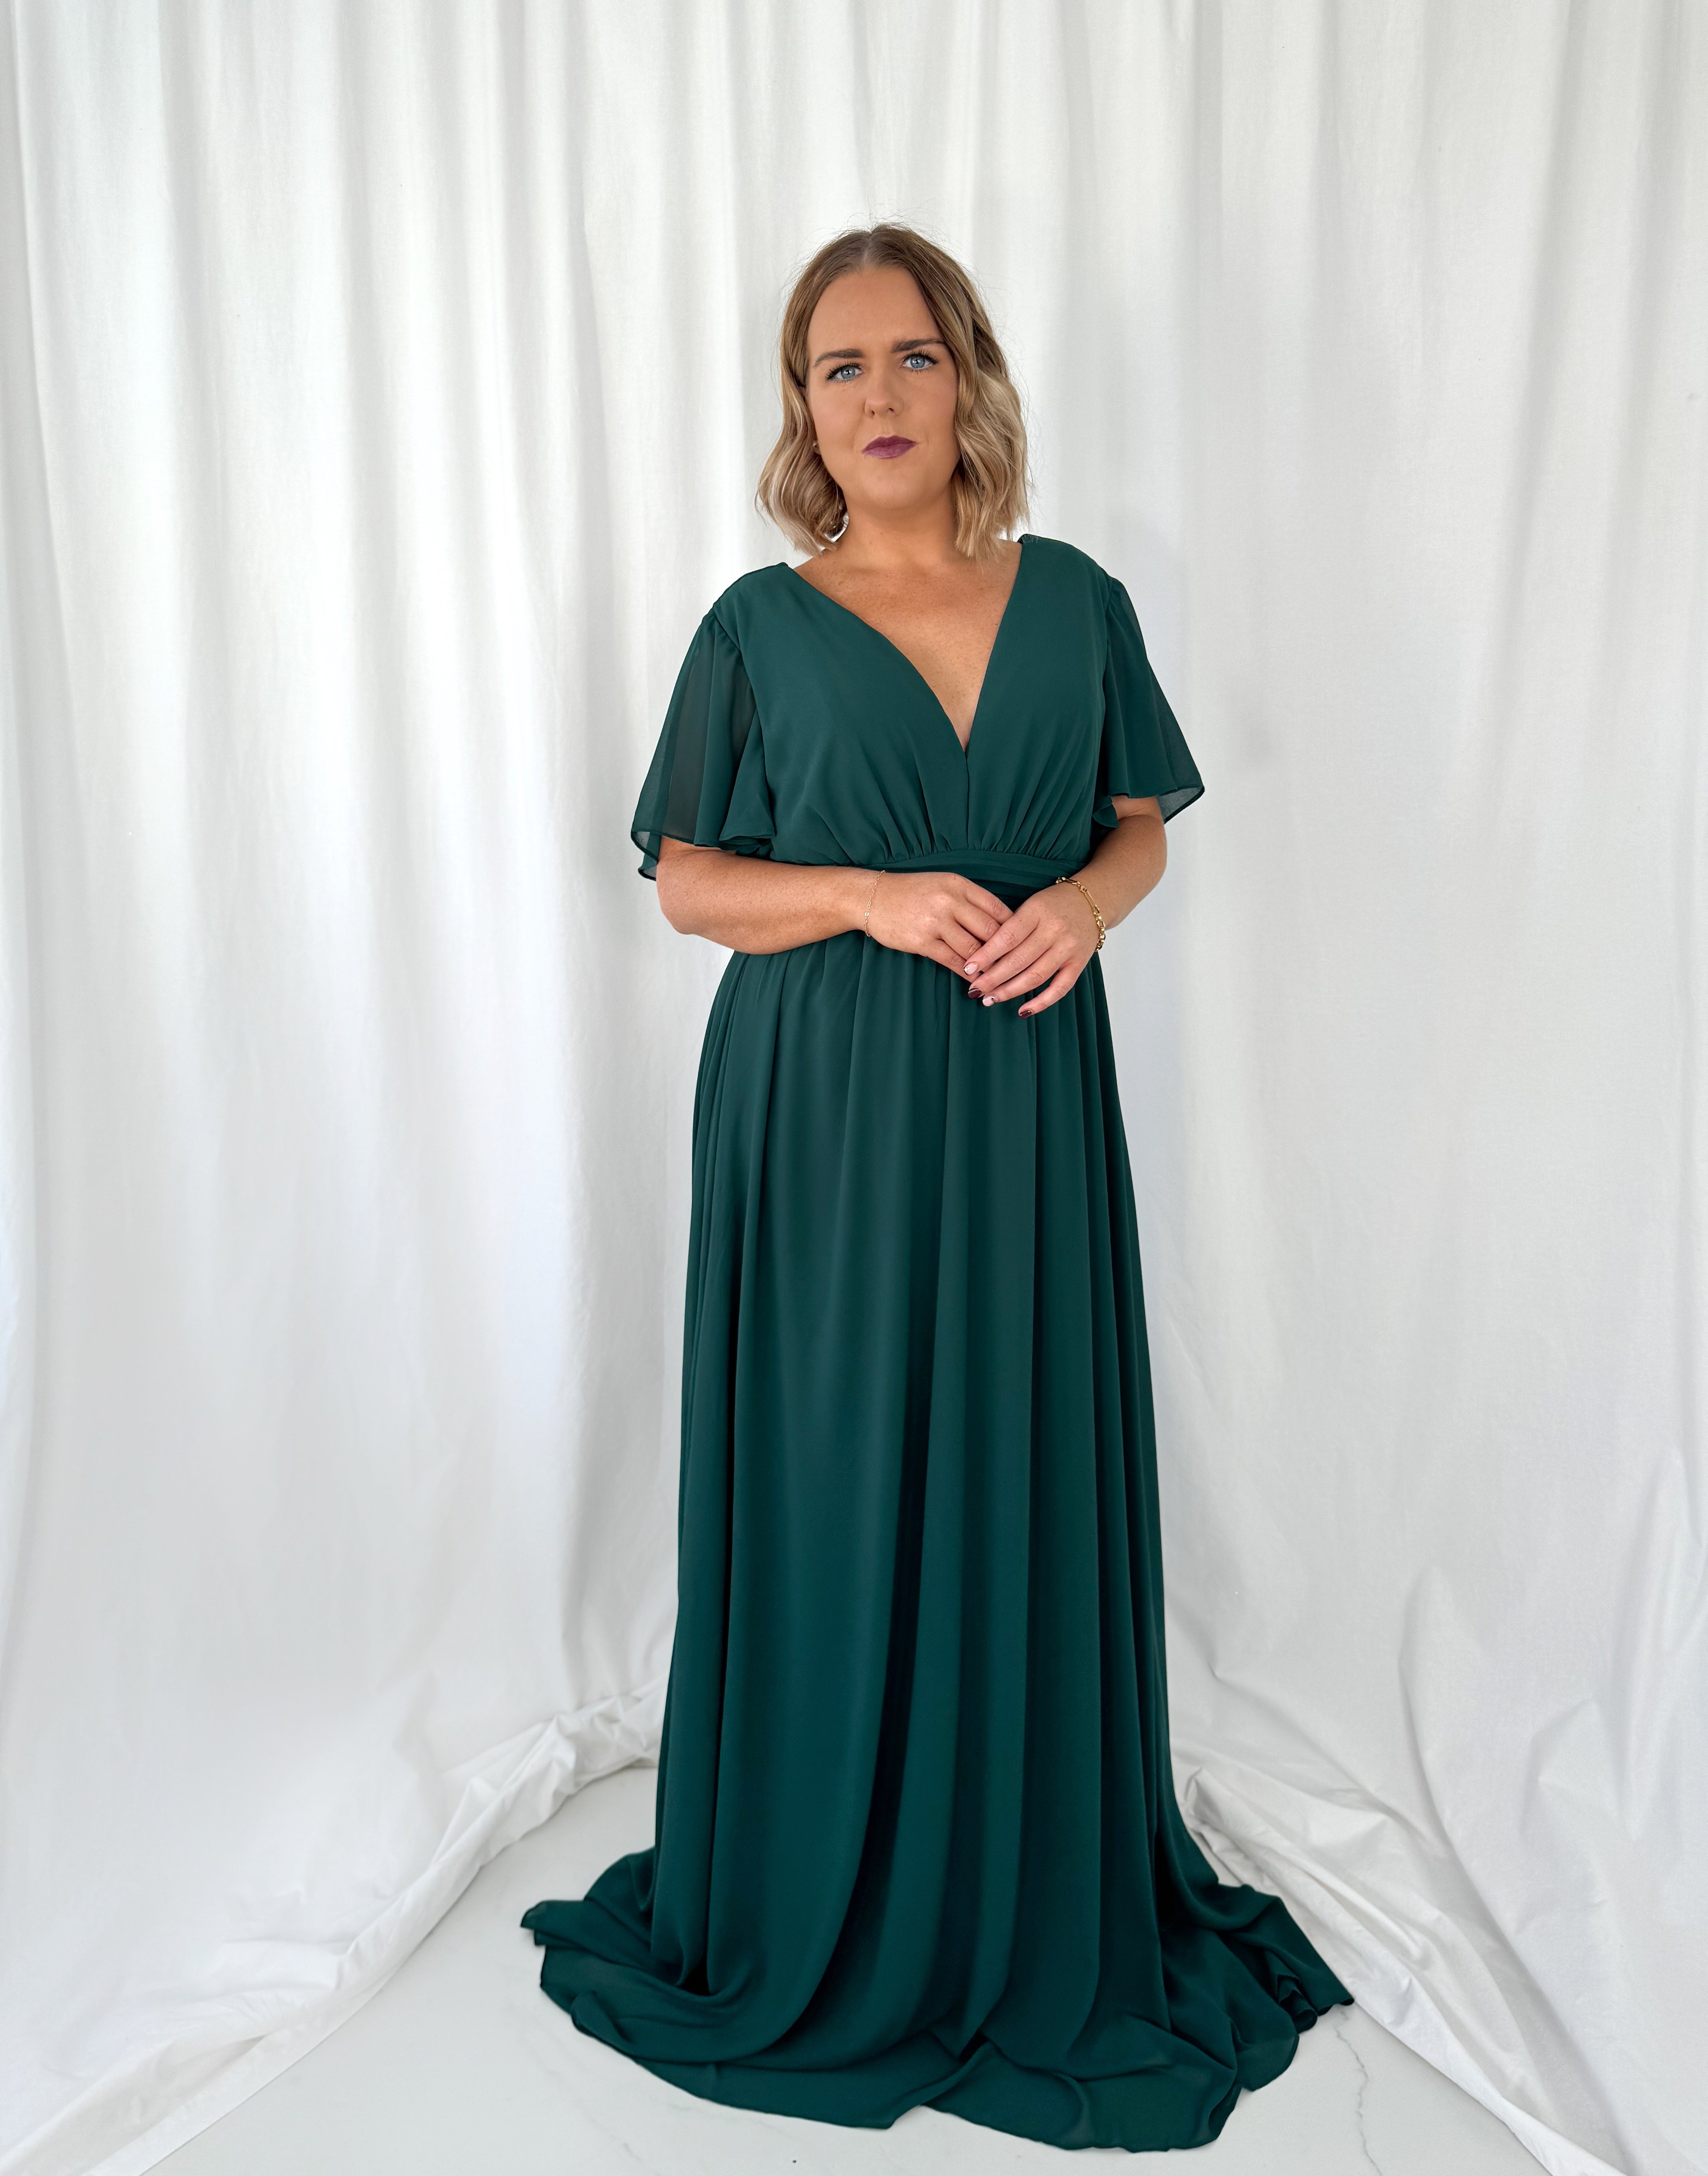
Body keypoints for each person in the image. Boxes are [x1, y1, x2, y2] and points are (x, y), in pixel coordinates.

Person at [521, 222, 1352, 2150]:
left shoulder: (1077, 601)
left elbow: (1138, 827)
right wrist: (870, 895)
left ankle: (1013, 1874)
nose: (880, 395)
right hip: (822, 1107)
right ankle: (825, 1868)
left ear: (968, 375)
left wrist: (1084, 906)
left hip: (1029, 1092)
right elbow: (689, 882)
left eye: (912, 356)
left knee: (1017, 1445)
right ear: (802, 410)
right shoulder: (757, 627)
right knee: (835, 1467)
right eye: (841, 367)